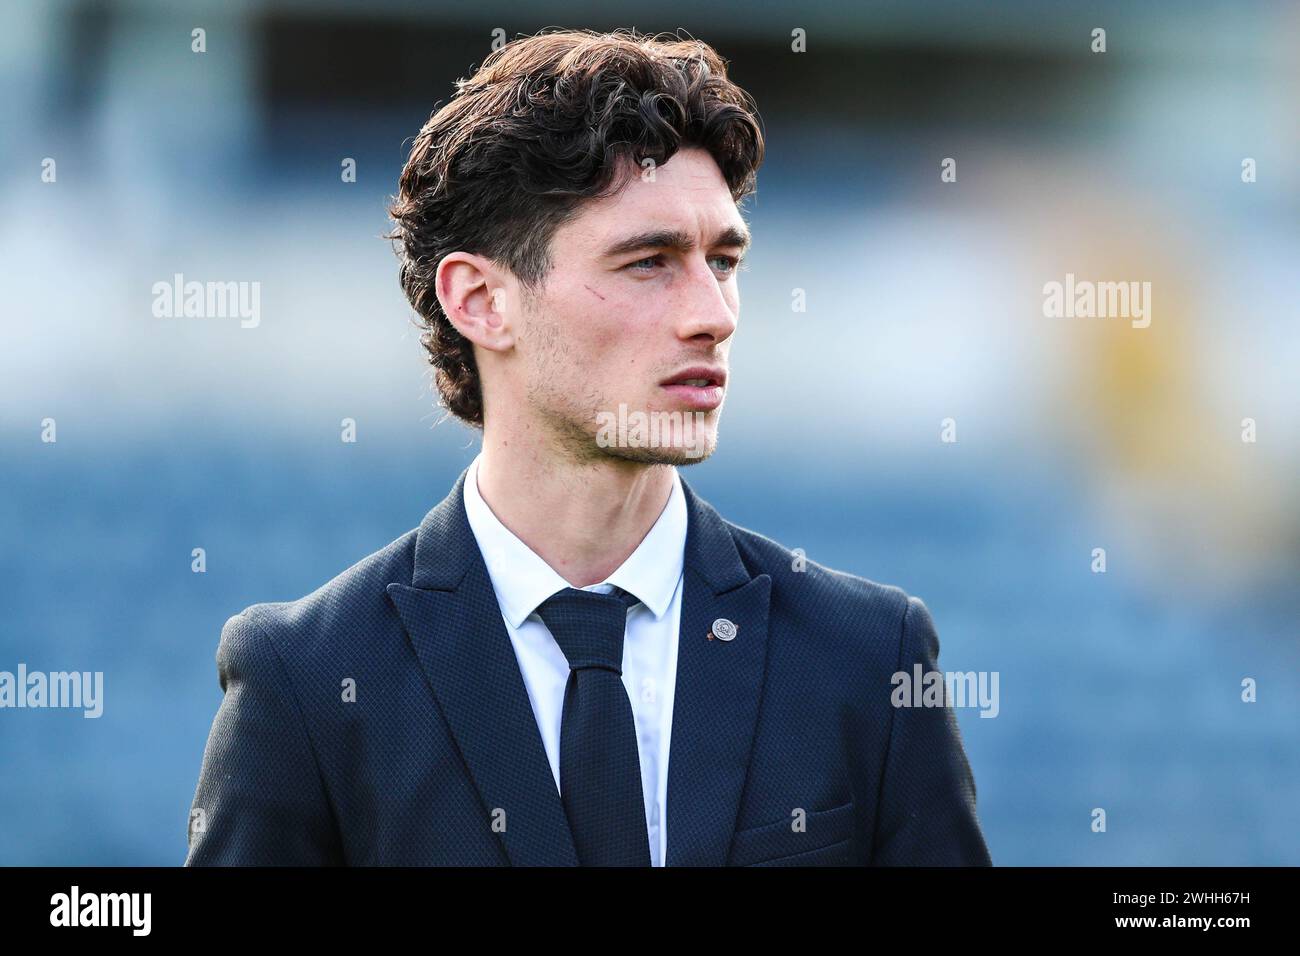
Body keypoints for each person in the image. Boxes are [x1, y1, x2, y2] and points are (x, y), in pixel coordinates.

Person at [185, 28, 991, 867]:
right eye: (649, 262)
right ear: (482, 300)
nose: (712, 313)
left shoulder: (868, 657)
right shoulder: (309, 679)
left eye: (723, 260)